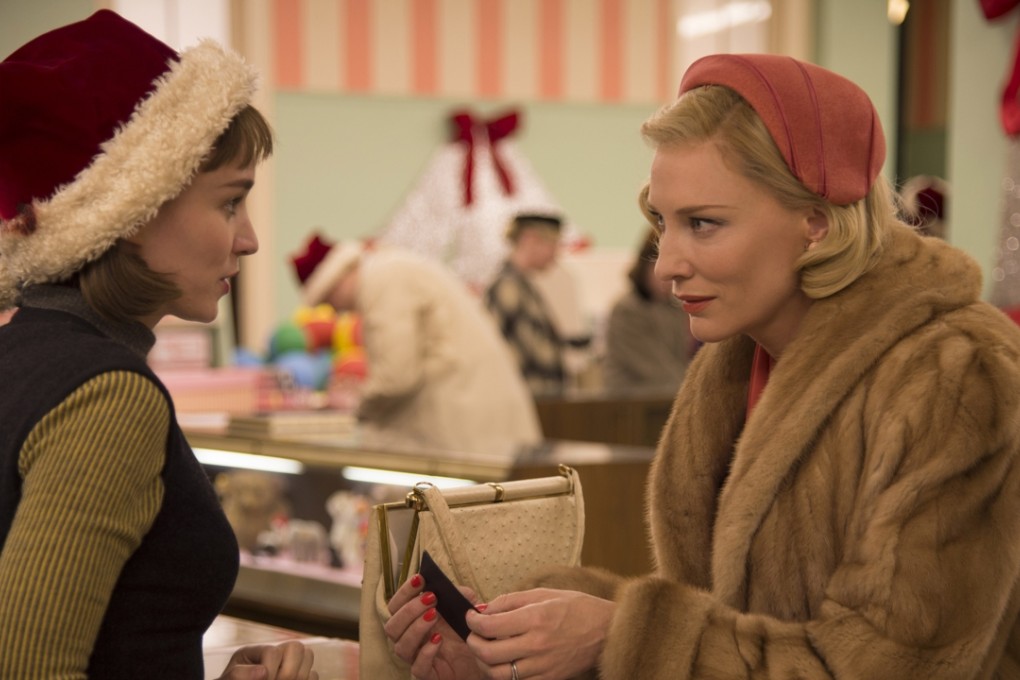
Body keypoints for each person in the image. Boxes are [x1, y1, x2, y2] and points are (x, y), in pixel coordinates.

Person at [382, 53, 1020, 680]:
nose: (666, 264)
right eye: (663, 223)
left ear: (818, 224)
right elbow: (729, 618)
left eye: (705, 224)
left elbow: (892, 664)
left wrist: (616, 634)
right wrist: (512, 638)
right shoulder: (738, 356)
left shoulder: (957, 373)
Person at [0, 11, 317, 679]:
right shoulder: (105, 395)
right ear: (134, 213)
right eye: (230, 203)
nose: (250, 239)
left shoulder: (23, 356)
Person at [290, 233, 542, 455]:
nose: (335, 310)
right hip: (479, 419)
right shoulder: (391, 269)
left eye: (328, 299)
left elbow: (397, 377)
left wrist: (355, 404)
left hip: (465, 426)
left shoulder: (381, 281)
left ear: (336, 279)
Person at [484, 212, 591, 394]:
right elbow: (527, 354)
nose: (556, 254)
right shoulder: (508, 287)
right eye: (552, 244)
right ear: (529, 239)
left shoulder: (521, 285)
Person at [602, 226, 694, 393]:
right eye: (656, 264)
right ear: (643, 266)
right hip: (630, 405)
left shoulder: (674, 308)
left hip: (663, 399)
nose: (666, 276)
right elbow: (656, 372)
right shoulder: (627, 311)